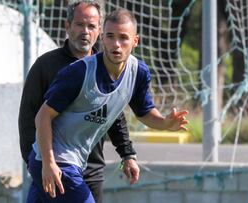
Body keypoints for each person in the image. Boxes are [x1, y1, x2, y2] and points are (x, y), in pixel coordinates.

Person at [27, 8, 189, 203]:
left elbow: (144, 112)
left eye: (123, 38)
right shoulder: (78, 73)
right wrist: (48, 163)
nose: (116, 44)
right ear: (102, 38)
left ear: (135, 41)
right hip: (56, 161)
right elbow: (42, 116)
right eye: (110, 37)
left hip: (70, 162)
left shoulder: (138, 73)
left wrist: (165, 124)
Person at [18, 1, 139, 202]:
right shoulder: (46, 66)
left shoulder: (106, 67)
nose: (85, 31)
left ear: (99, 31)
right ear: (67, 27)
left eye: (91, 26)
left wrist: (128, 154)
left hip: (92, 169)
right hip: (55, 166)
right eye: (79, 25)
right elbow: (29, 117)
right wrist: (36, 162)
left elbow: (114, 116)